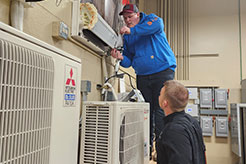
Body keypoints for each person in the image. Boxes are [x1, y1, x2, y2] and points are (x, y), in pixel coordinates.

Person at [110, 4, 176, 159]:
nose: (127, 20)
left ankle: (162, 151)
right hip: (143, 76)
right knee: (146, 111)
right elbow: (129, 61)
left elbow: (155, 26)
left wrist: (131, 30)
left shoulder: (151, 20)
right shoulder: (128, 36)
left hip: (162, 71)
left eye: (130, 17)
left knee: (161, 110)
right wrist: (120, 58)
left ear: (138, 15)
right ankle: (147, 149)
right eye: (125, 18)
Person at [157, 80, 206, 164]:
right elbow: (202, 154)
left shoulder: (173, 130)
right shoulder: (193, 122)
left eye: (160, 94)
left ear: (165, 103)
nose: (158, 96)